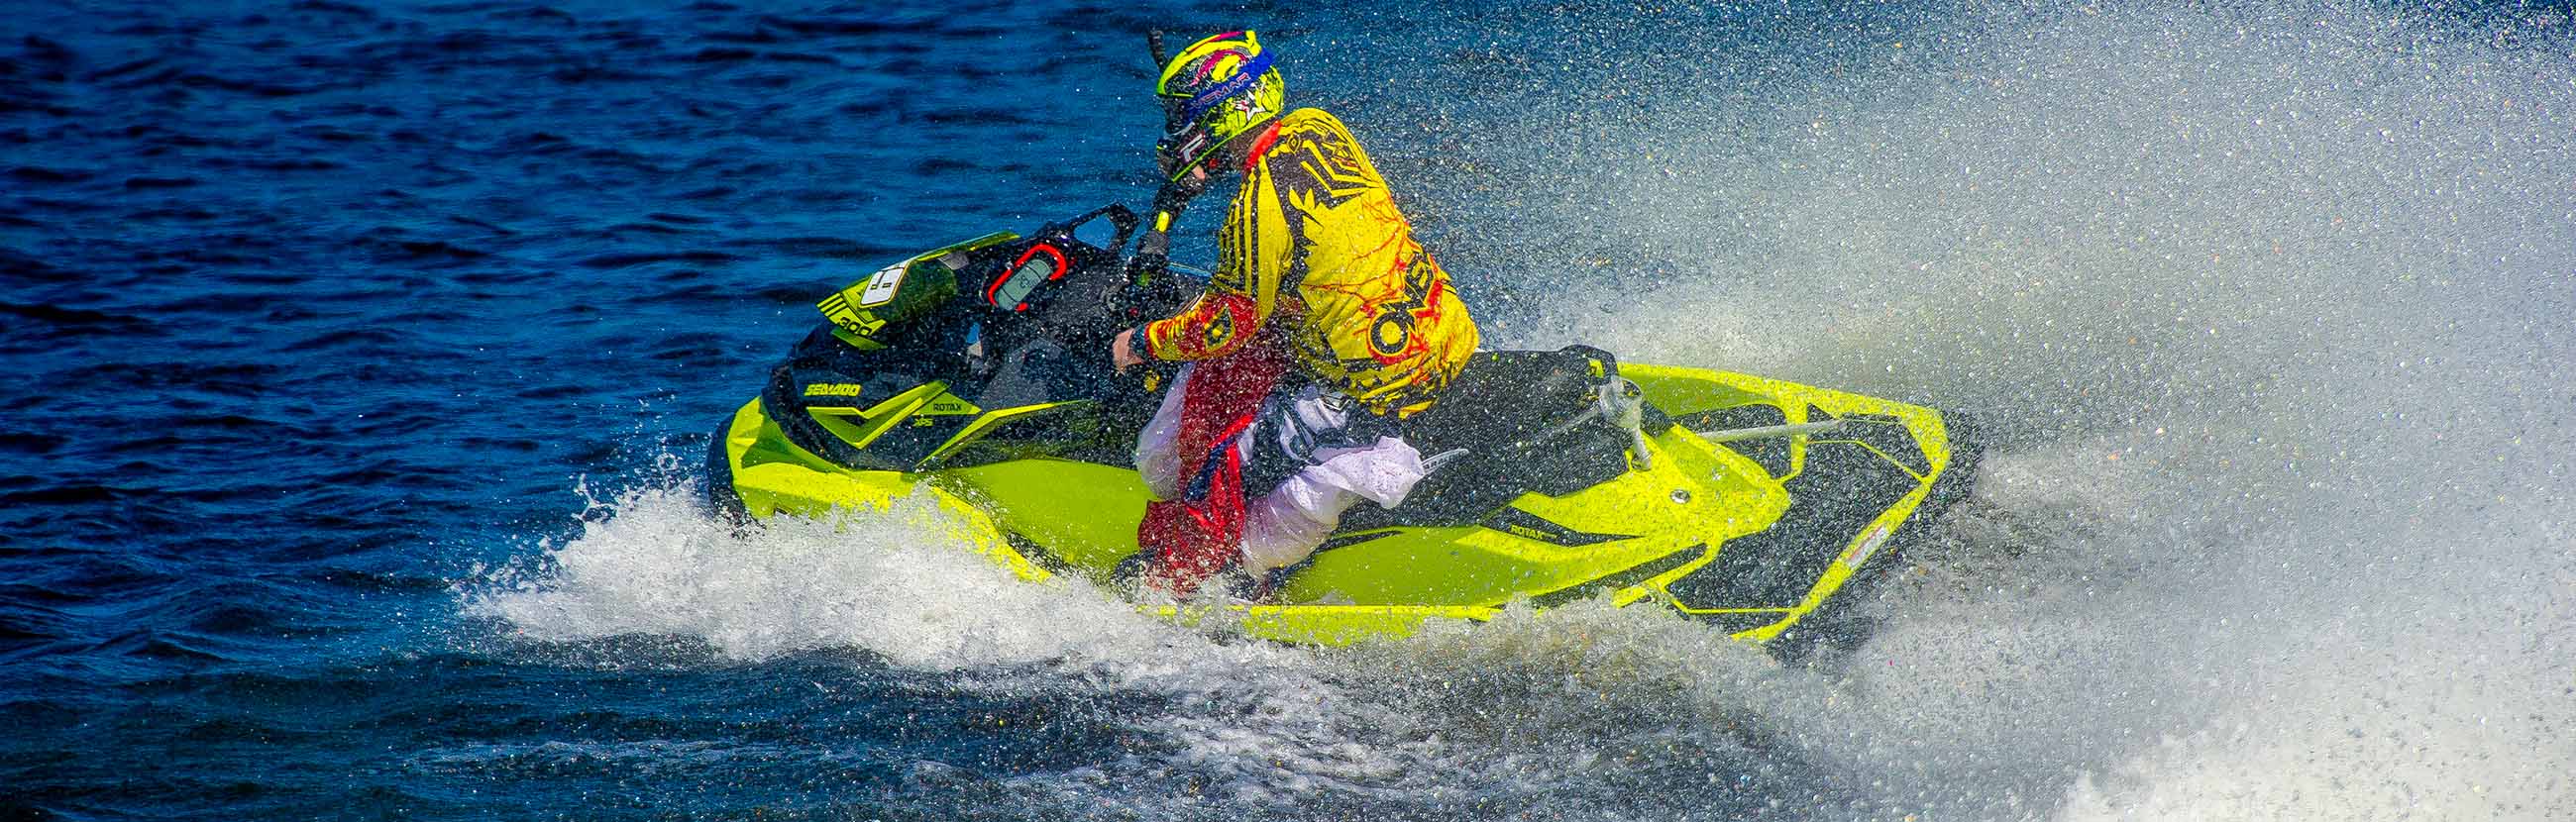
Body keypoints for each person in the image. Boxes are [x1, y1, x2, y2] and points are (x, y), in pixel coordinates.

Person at [1110, 30, 1480, 597]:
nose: (1177, 128)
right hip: (1444, 335)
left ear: (1219, 111)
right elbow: (1316, 240)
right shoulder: (1318, 127)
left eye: (1182, 114)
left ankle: (1210, 578)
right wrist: (1209, 166)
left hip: (1380, 389)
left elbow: (1223, 323)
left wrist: (1142, 341)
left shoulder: (1256, 205)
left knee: (1221, 455)